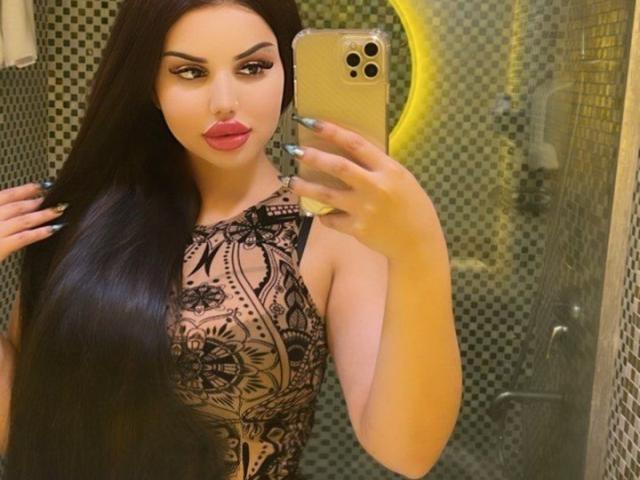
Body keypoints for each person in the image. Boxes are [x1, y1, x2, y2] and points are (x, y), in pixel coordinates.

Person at [0, 1, 462, 479]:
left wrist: (420, 249)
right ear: (151, 85)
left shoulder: (329, 231)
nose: (224, 101)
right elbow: (24, 427)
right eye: (190, 72)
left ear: (288, 72)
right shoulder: (87, 220)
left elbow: (407, 452)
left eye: (253, 67)